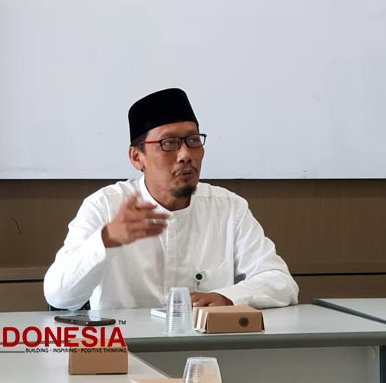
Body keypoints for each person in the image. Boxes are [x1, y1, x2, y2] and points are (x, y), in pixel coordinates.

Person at [44, 88, 299, 310]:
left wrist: (227, 297)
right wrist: (105, 240)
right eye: (169, 143)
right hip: (125, 352)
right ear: (136, 157)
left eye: (193, 140)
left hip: (209, 353)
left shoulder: (228, 208)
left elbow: (281, 282)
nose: (186, 154)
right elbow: (59, 295)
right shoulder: (104, 207)